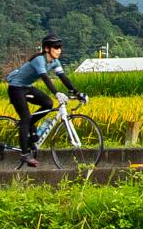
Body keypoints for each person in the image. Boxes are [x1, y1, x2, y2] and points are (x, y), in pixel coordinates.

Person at [5, 34, 86, 168]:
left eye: (60, 47)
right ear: (47, 49)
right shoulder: (39, 60)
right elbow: (45, 78)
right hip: (16, 88)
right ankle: (25, 154)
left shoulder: (55, 62)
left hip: (27, 87)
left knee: (48, 103)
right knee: (25, 118)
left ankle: (29, 127)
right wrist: (56, 93)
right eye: (56, 47)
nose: (59, 50)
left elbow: (63, 77)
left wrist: (77, 93)